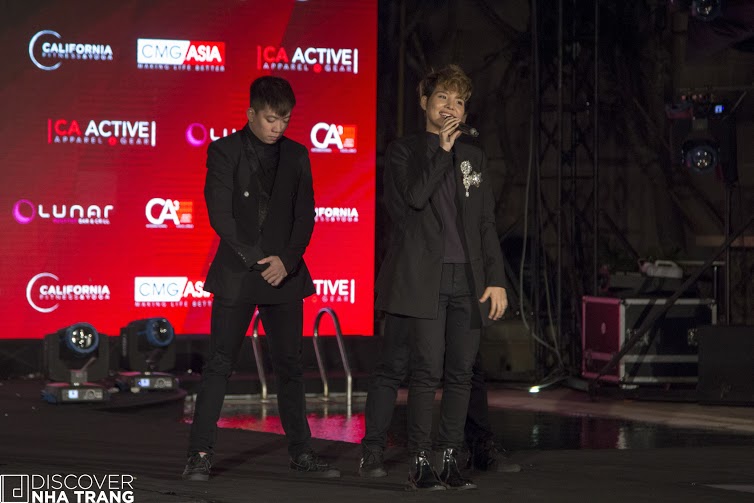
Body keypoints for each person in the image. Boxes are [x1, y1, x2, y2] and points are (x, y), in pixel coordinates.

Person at [182, 76, 340, 481]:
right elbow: (220, 215)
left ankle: (301, 453)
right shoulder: (224, 151)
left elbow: (306, 214)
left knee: (290, 367)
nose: (278, 127)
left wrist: (286, 261)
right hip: (239, 273)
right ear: (251, 113)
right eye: (271, 119)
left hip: (284, 275)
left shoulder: (298, 154)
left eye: (285, 120)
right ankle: (199, 454)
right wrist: (257, 260)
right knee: (219, 364)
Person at [370, 64, 508, 491]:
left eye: (459, 101)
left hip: (468, 279)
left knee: (461, 372)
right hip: (423, 279)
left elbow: (485, 222)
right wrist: (442, 150)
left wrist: (496, 279)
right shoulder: (403, 152)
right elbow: (414, 198)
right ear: (425, 102)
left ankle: (450, 457)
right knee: (426, 370)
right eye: (443, 98)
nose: (451, 107)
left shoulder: (474, 157)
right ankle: (420, 460)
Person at [359, 315, 521, 477]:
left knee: (466, 366)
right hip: (409, 301)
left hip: (456, 300)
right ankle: (373, 449)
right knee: (394, 362)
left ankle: (480, 446)